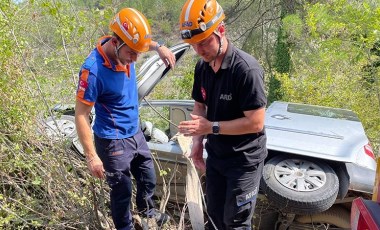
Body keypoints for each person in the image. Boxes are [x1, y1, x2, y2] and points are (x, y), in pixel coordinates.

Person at [75, 8, 175, 230]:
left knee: (148, 175)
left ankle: (147, 211)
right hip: (112, 139)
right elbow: (80, 115)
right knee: (122, 190)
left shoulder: (128, 48)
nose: (136, 58)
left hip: (134, 131)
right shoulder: (92, 71)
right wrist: (91, 157)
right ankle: (125, 227)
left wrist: (159, 47)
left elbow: (141, 44)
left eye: (139, 53)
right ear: (115, 41)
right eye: (132, 53)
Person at [177, 0, 268, 229]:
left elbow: (256, 123)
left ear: (221, 31)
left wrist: (211, 128)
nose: (199, 50)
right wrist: (197, 142)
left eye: (204, 42)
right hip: (216, 156)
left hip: (244, 160)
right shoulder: (202, 67)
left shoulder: (246, 70)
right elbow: (200, 106)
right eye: (193, 45)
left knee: (235, 222)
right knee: (215, 217)